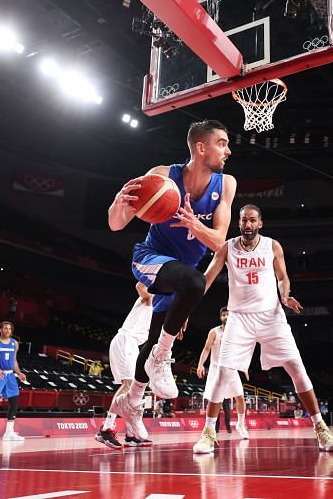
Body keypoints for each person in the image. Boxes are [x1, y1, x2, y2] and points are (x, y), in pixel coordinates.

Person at [108, 120, 236, 440]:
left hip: (182, 275)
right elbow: (116, 223)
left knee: (155, 337)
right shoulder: (163, 175)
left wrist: (195, 226)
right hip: (151, 258)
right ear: (200, 147)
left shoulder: (227, 184)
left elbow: (220, 243)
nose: (228, 150)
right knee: (192, 284)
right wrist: (118, 207)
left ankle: (133, 404)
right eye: (222, 142)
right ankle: (162, 358)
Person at [192, 204, 333, 453]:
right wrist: (186, 307)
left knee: (296, 367)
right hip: (239, 318)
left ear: (260, 223)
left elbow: (282, 277)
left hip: (271, 315)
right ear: (238, 223)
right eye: (243, 221)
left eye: (252, 220)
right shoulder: (227, 247)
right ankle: (208, 432)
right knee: (221, 372)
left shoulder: (272, 245)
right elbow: (206, 279)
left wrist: (285, 295)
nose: (247, 225)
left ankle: (321, 428)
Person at [95, 283, 155, 449]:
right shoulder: (149, 299)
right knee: (128, 385)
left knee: (134, 390)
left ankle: (130, 434)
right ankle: (106, 429)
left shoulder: (157, 311)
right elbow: (140, 285)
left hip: (132, 345)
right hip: (125, 341)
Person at [196, 306, 249, 439]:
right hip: (216, 369)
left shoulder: (236, 333)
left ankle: (241, 424)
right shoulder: (214, 332)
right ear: (221, 317)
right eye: (224, 315)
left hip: (231, 368)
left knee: (240, 397)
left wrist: (244, 366)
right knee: (213, 400)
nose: (226, 317)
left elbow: (240, 351)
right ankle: (209, 429)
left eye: (228, 314)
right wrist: (200, 364)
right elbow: (207, 348)